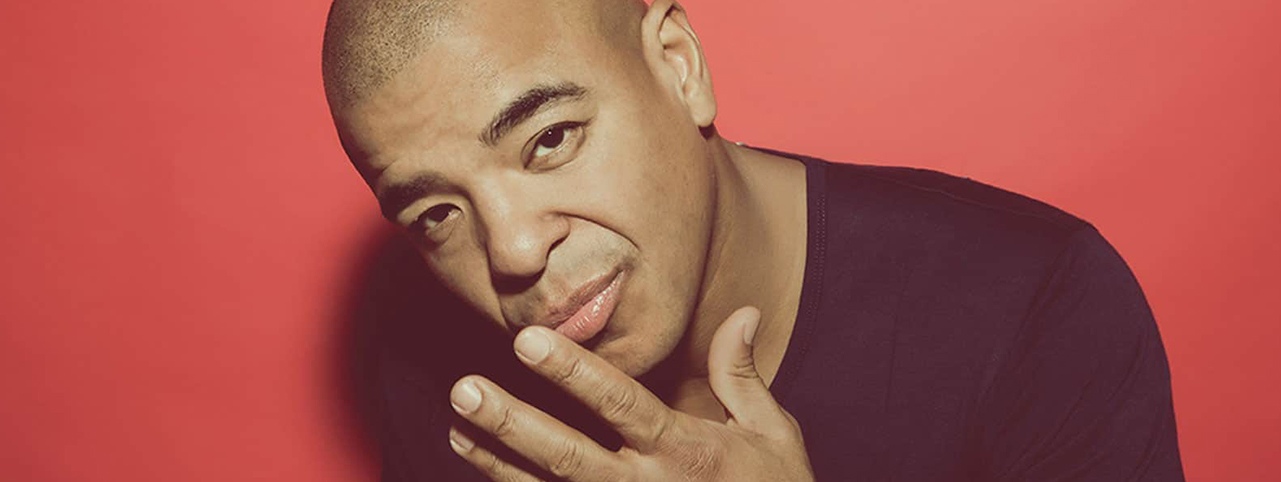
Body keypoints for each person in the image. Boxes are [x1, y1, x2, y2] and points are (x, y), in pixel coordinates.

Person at [322, 0, 1185, 480]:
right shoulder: (440, 376)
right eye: (437, 214)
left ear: (678, 65)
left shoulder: (1032, 308)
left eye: (549, 139)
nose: (511, 251)